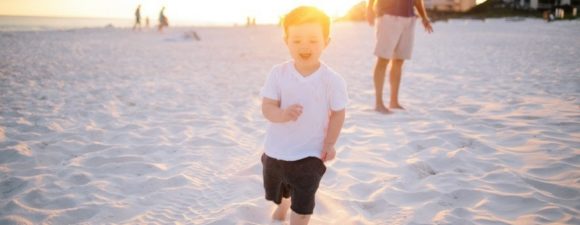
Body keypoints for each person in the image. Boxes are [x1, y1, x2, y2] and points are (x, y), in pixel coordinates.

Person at [259, 6, 348, 225]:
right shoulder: (278, 73)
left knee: (304, 201)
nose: (305, 46)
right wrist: (281, 114)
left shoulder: (332, 80)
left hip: (310, 153)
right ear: (286, 41)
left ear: (326, 41)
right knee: (279, 191)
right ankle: (283, 206)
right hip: (276, 151)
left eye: (313, 40)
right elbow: (267, 106)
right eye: (297, 40)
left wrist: (330, 143)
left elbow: (338, 113)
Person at [367, 0, 433, 113]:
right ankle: (378, 103)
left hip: (409, 18)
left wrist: (424, 17)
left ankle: (394, 102)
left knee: (399, 60)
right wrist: (369, 9)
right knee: (383, 59)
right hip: (388, 16)